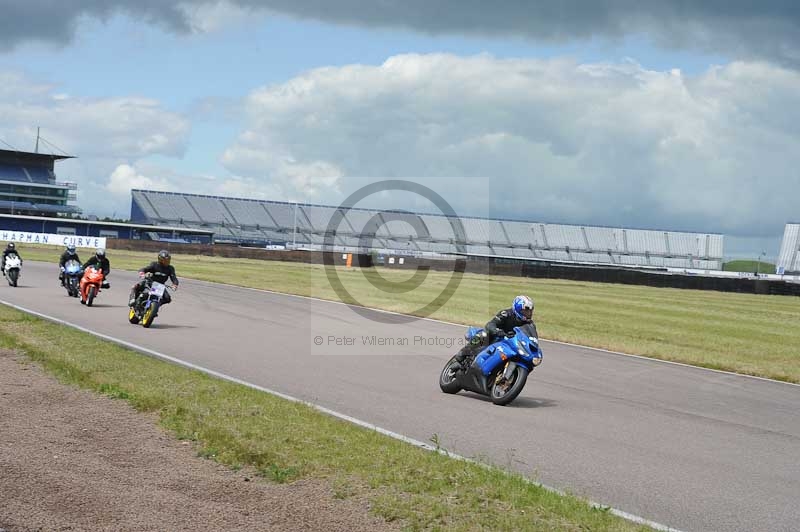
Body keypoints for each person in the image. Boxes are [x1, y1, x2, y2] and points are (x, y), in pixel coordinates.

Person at [453, 295, 537, 366]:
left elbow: (532, 337)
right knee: (483, 334)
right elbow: (490, 324)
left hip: (511, 343)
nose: (529, 313)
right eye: (526, 310)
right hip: (496, 337)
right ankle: (460, 357)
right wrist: (498, 331)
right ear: (518, 308)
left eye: (530, 311)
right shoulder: (506, 314)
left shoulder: (530, 324)